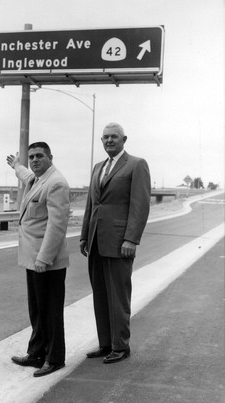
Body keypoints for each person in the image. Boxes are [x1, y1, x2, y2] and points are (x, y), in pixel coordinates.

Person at [80, 123, 151, 363]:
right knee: (100, 293)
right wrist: (83, 235)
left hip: (120, 241)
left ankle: (121, 346)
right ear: (101, 140)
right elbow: (92, 205)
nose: (109, 140)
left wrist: (131, 238)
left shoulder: (136, 164)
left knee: (119, 295)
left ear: (124, 139)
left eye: (114, 137)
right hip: (96, 240)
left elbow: (140, 205)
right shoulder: (98, 167)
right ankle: (105, 343)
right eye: (106, 137)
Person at [6, 142, 70, 377]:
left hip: (47, 262)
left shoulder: (56, 183)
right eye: (31, 156)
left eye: (39, 156)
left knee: (50, 311)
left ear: (50, 157)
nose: (34, 160)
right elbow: (26, 176)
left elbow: (57, 225)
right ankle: (36, 353)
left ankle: (54, 358)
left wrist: (44, 258)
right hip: (33, 260)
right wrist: (17, 165)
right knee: (37, 310)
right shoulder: (37, 178)